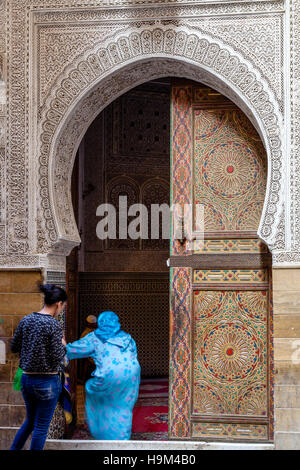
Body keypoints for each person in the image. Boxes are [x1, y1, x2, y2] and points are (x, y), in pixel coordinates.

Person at [66, 310, 141, 440]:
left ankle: (103, 433)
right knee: (123, 405)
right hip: (132, 374)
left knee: (92, 389)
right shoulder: (127, 337)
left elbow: (71, 350)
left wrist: (60, 342)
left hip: (109, 375)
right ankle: (122, 436)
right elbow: (133, 355)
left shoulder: (94, 338)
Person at [10, 283, 67, 451]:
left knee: (29, 422)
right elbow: (58, 356)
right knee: (41, 427)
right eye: (63, 306)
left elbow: (14, 347)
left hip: (27, 379)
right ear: (58, 304)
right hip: (47, 381)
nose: (62, 309)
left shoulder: (26, 319)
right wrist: (63, 344)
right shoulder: (54, 325)